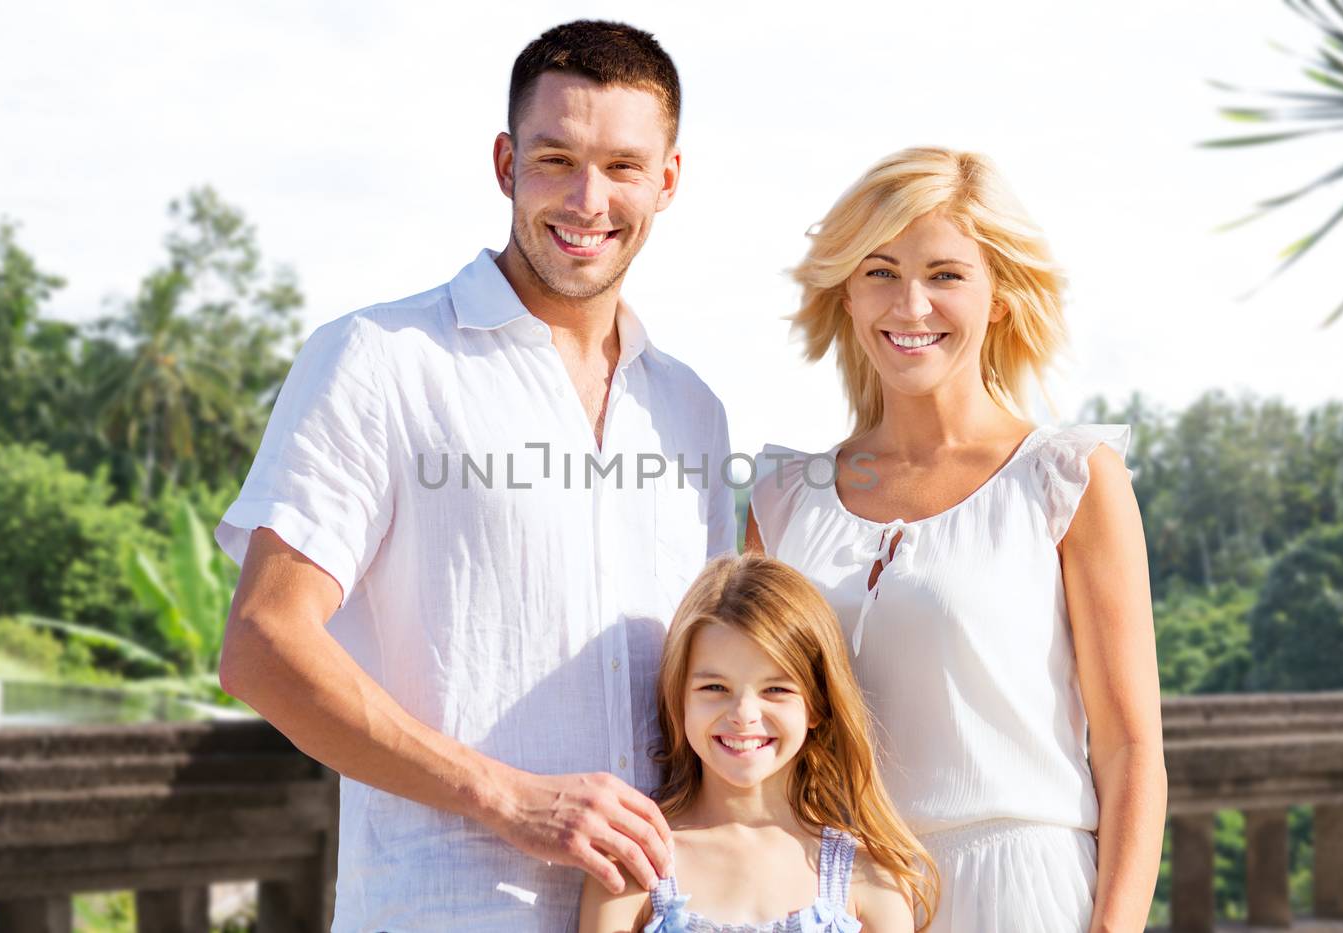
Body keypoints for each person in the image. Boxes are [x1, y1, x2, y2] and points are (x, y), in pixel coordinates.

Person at [213, 20, 734, 931]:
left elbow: (717, 686)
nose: (586, 199)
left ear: (669, 181)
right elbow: (262, 641)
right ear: (505, 163)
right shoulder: (379, 359)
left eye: (621, 166)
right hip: (442, 910)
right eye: (555, 159)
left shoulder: (692, 409)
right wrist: (510, 797)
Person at [746, 148, 1165, 931]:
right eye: (878, 271)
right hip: (834, 895)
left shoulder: (1068, 479)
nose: (910, 305)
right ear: (844, 291)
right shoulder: (781, 500)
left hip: (1022, 893)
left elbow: (1129, 748)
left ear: (998, 296)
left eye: (945, 274)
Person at [578, 554, 939, 932]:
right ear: (679, 696)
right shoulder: (633, 865)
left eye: (776, 689)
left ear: (816, 705)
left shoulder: (870, 877)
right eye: (715, 687)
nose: (744, 713)